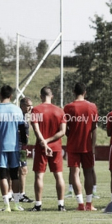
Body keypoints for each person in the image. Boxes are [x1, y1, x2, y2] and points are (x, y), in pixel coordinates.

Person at [0, 85, 27, 212]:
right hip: (14, 147)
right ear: (11, 96)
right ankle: (16, 204)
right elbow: (22, 130)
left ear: (0, 95)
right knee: (15, 175)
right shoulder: (17, 110)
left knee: (3, 176)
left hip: (0, 147)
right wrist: (24, 143)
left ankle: (6, 205)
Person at [30, 86, 66, 211]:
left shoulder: (36, 110)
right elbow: (63, 131)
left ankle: (38, 204)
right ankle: (61, 205)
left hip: (41, 147)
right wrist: (49, 141)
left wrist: (44, 143)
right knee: (59, 175)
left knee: (39, 176)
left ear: (41, 96)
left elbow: (35, 128)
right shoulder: (59, 111)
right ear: (52, 96)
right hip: (56, 147)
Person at [64, 83, 98, 211]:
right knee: (88, 172)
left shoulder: (68, 107)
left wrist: (70, 134)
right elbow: (94, 126)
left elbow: (64, 128)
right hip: (87, 145)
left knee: (75, 173)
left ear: (73, 91)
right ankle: (89, 204)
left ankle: (80, 204)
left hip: (73, 145)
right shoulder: (92, 106)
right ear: (85, 92)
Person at [18, 97, 34, 203]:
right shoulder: (19, 116)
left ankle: (13, 194)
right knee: (23, 170)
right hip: (18, 147)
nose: (30, 108)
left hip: (22, 147)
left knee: (19, 170)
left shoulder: (24, 116)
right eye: (28, 105)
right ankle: (21, 195)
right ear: (22, 105)